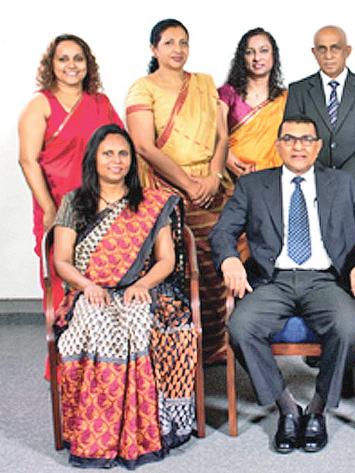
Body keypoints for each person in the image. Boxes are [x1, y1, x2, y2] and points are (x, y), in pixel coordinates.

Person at [210, 116, 355, 454]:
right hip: (271, 280)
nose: (298, 146)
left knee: (347, 326)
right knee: (240, 326)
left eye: (306, 139)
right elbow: (222, 232)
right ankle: (287, 408)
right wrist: (229, 259)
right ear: (278, 145)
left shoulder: (342, 183)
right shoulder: (253, 186)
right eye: (290, 139)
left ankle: (318, 409)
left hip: (323, 279)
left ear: (318, 146)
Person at [52, 124, 196, 468]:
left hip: (141, 289)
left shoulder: (150, 203)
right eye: (108, 154)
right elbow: (61, 261)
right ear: (94, 159)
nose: (116, 161)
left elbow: (166, 260)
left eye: (123, 154)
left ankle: (143, 432)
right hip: (92, 291)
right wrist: (87, 286)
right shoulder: (74, 202)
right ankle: (96, 436)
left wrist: (143, 284)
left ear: (132, 161)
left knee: (141, 326)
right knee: (97, 329)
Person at [126, 18, 230, 364]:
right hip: (168, 192)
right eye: (169, 42)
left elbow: (221, 136)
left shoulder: (203, 83)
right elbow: (144, 146)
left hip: (211, 188)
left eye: (183, 42)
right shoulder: (143, 89)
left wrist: (214, 176)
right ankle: (182, 347)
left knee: (220, 263)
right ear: (154, 49)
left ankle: (217, 344)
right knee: (182, 268)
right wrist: (187, 185)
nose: (178, 49)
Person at [18, 34, 123, 314]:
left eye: (78, 58)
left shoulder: (101, 103)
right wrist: (50, 209)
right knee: (60, 284)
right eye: (63, 59)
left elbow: (122, 151)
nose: (71, 65)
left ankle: (103, 357)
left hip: (103, 206)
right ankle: (63, 357)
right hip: (56, 204)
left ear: (88, 64)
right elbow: (27, 161)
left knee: (103, 280)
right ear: (51, 64)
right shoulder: (39, 105)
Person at [284, 25, 355, 198]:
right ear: (314, 53)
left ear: (347, 51)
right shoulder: (298, 90)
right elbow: (292, 138)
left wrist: (345, 177)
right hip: (311, 186)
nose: (328, 56)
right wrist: (320, 177)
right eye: (322, 49)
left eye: (335, 48)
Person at [219, 27, 287, 175]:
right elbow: (216, 136)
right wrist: (236, 167)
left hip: (271, 176)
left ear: (273, 55)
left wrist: (259, 169)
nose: (257, 58)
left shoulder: (285, 98)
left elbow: (289, 141)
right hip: (230, 176)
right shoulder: (227, 93)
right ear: (242, 58)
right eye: (250, 52)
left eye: (264, 51)